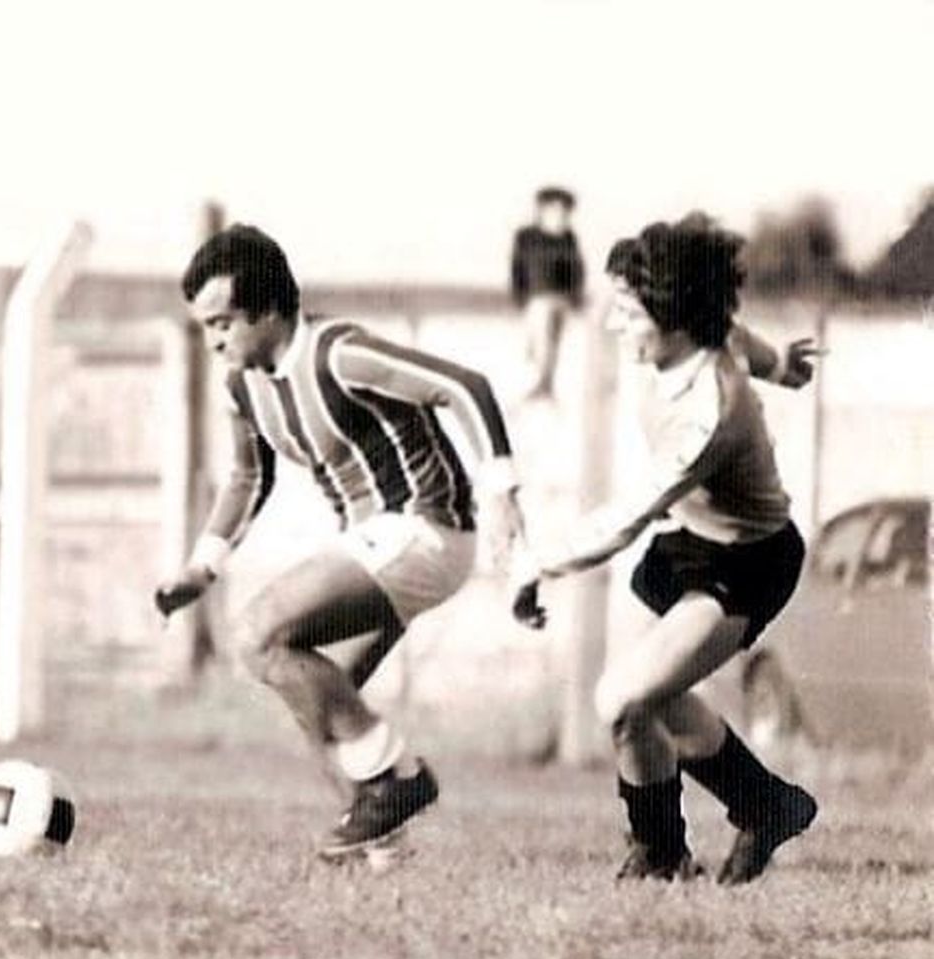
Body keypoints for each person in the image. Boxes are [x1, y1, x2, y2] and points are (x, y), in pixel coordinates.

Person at [156, 224, 531, 859]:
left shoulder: (338, 353)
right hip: (378, 544)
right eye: (204, 327)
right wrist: (203, 567)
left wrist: (500, 492)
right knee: (316, 702)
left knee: (257, 635)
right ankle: (382, 848)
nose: (213, 340)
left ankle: (402, 780)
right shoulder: (242, 385)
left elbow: (466, 386)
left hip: (427, 529)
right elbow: (250, 475)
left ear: (270, 309)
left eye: (223, 323)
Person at [511, 213, 824, 883]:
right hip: (691, 548)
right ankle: (699, 834)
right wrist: (784, 368)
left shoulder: (712, 411)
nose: (613, 324)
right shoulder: (693, 336)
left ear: (673, 315)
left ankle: (695, 836)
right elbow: (739, 335)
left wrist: (539, 559)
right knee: (643, 701)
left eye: (627, 311)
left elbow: (629, 516)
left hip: (749, 565)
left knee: (622, 696)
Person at [510, 186, 586, 400]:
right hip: (537, 300)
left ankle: (546, 386)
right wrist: (519, 297)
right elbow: (517, 267)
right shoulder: (526, 236)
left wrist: (576, 298)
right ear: (542, 210)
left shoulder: (569, 238)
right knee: (538, 341)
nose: (560, 215)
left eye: (564, 210)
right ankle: (538, 384)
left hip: (561, 300)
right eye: (555, 209)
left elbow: (577, 270)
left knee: (555, 343)